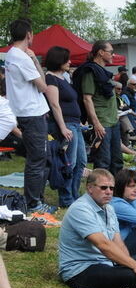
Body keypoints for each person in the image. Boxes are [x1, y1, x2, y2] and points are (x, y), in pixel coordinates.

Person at [59, 169, 136, 288]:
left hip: (106, 264)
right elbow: (104, 245)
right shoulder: (81, 209)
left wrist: (131, 265)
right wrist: (135, 266)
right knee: (133, 274)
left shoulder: (108, 208)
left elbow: (118, 243)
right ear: (90, 188)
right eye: (103, 188)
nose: (108, 192)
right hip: (80, 271)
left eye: (111, 188)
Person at [4, 19, 55, 214]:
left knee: (41, 157)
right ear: (29, 35)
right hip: (32, 113)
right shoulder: (23, 58)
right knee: (37, 159)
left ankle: (35, 199)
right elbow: (43, 85)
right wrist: (35, 60)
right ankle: (33, 203)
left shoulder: (10, 55)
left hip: (24, 111)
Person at [43, 46, 84, 208]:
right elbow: (54, 104)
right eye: (67, 59)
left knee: (81, 161)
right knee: (69, 163)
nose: (70, 62)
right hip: (66, 125)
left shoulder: (63, 78)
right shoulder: (50, 78)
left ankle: (74, 194)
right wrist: (62, 127)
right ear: (58, 60)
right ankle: (66, 198)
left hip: (75, 123)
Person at [74, 41, 122, 176]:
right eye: (111, 52)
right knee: (103, 162)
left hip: (113, 121)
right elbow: (87, 98)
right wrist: (96, 123)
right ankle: (99, 193)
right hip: (102, 123)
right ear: (101, 52)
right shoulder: (90, 71)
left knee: (117, 161)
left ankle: (115, 193)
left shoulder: (102, 72)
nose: (113, 55)